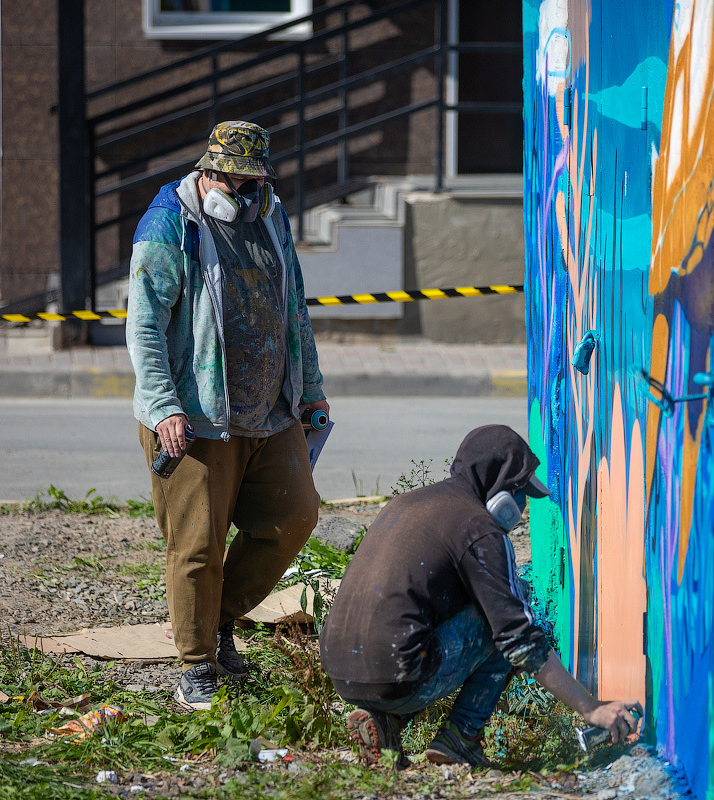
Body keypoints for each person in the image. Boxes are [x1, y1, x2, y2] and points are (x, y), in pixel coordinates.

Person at [127, 121, 330, 710]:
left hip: (270, 410)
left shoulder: (270, 215)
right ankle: (195, 665)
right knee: (197, 545)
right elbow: (143, 325)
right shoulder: (171, 222)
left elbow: (294, 303)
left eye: (254, 183)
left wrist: (311, 386)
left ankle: (218, 618)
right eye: (236, 183)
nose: (246, 195)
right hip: (196, 416)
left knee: (293, 516)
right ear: (209, 173)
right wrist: (164, 406)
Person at [319, 425, 642, 767]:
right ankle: (461, 738)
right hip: (400, 676)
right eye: (519, 492)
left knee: (444, 618)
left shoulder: (405, 503)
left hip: (342, 672)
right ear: (499, 488)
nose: (520, 507)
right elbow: (520, 639)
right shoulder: (479, 528)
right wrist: (592, 709)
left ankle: (387, 722)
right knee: (512, 606)